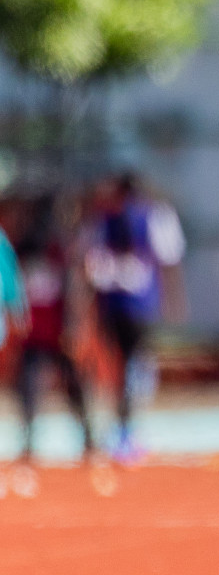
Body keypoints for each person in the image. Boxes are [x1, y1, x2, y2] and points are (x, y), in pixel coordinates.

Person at [84, 174, 186, 461]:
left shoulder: (103, 218)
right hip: (140, 303)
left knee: (120, 366)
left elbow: (90, 264)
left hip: (112, 303)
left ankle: (122, 427)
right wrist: (174, 300)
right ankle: (127, 429)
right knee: (134, 364)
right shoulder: (154, 214)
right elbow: (170, 259)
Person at [15, 195, 93, 464]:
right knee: (31, 387)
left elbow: (72, 290)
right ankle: (31, 441)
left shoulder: (55, 249)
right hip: (41, 331)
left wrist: (72, 326)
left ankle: (88, 438)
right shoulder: (40, 248)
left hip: (53, 331)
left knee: (71, 385)